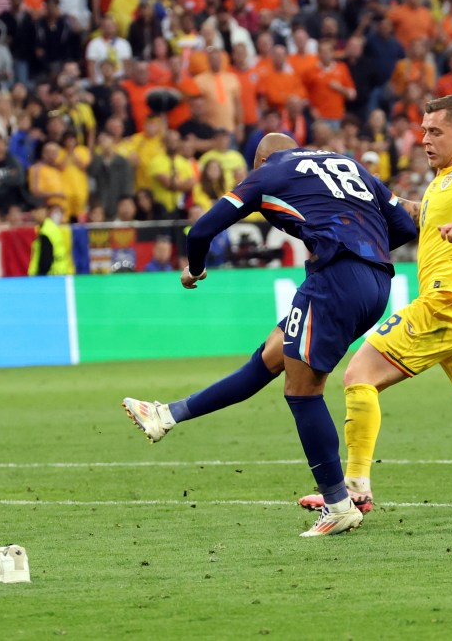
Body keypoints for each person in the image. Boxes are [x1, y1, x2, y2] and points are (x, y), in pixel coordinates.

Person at [122, 133, 417, 537]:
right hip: (377, 282)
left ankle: (337, 504)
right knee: (270, 357)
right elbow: (402, 224)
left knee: (302, 391)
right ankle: (167, 415)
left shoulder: (270, 173)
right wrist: (363, 245)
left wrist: (195, 268)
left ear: (259, 160)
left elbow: (200, 231)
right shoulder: (348, 163)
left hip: (336, 279)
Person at [299, 95, 452, 513]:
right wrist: (369, 195)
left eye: (435, 131)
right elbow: (418, 215)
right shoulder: (442, 182)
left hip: (447, 304)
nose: (424, 139)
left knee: (359, 375)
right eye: (423, 130)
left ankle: (353, 491)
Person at [28, 205, 72, 276]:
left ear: (45, 212)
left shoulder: (46, 231)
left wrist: (40, 275)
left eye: (38, 211)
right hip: (59, 272)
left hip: (51, 274)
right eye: (34, 212)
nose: (36, 215)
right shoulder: (50, 227)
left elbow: (46, 259)